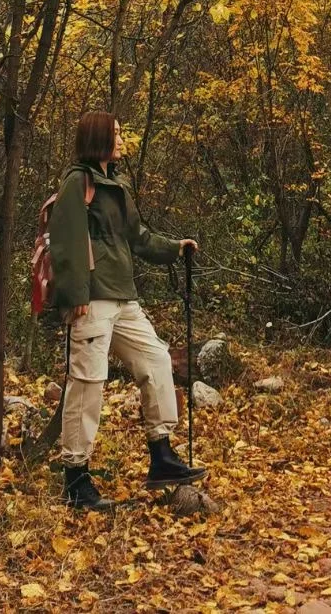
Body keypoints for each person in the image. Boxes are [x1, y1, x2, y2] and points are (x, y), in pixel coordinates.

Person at [48, 110, 205, 511]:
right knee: (87, 383)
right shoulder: (76, 183)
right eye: (116, 134)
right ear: (98, 138)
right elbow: (64, 243)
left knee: (156, 360)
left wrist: (175, 248)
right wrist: (75, 294)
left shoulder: (115, 184)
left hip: (122, 296)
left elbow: (137, 237)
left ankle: (162, 456)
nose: (122, 140)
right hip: (92, 299)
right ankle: (76, 479)